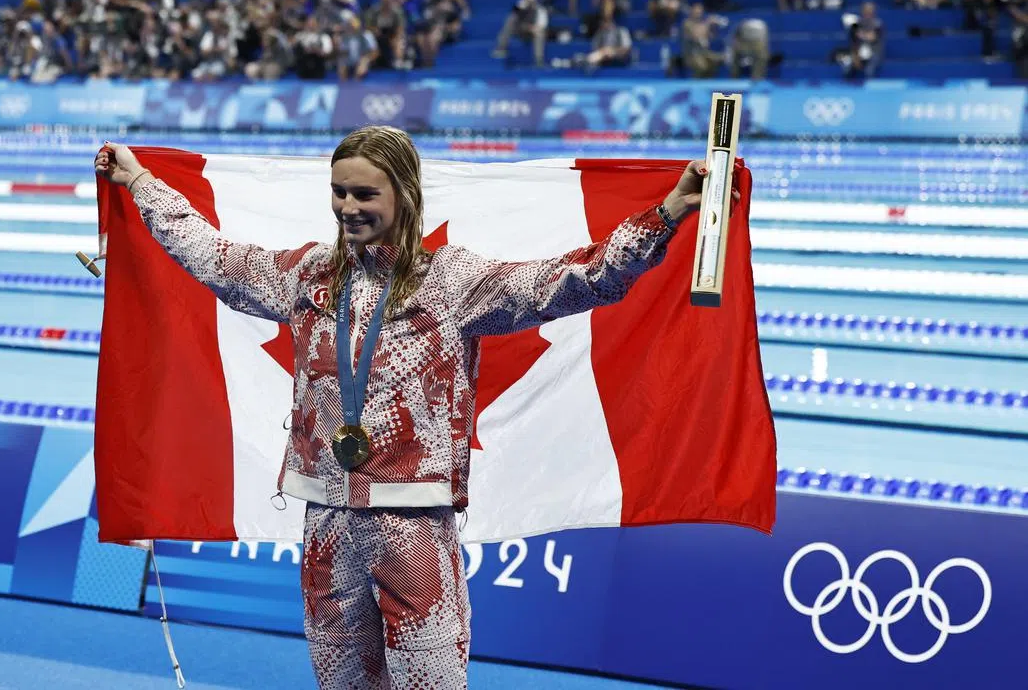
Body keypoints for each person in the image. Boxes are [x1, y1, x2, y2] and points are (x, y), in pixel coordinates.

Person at [94, 126, 732, 689]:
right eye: (340, 192)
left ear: (404, 194)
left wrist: (669, 212)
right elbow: (216, 259)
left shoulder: (452, 283)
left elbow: (577, 277)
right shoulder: (309, 276)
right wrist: (142, 183)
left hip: (414, 532)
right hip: (327, 524)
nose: (348, 207)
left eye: (364, 194)